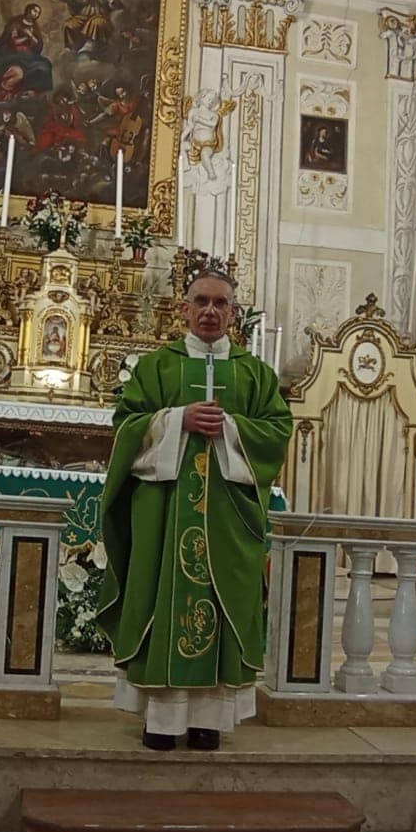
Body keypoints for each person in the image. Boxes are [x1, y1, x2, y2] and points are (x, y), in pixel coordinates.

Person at [96, 266, 292, 750]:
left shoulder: (254, 373)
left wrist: (229, 428)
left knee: (227, 606)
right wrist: (175, 420)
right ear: (182, 309)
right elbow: (124, 426)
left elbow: (278, 433)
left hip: (228, 516)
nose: (209, 311)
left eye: (219, 303)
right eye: (200, 301)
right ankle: (160, 720)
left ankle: (209, 719)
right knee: (158, 598)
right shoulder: (156, 367)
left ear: (234, 313)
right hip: (163, 512)